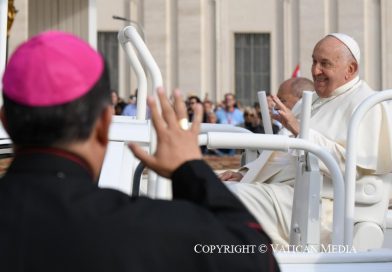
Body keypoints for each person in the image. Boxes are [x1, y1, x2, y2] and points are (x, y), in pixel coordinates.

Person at [0, 31, 279, 272]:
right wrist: (190, 169)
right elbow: (256, 257)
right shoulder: (144, 228)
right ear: (104, 123)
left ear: (5, 121)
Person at [222, 33, 392, 246]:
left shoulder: (366, 105)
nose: (315, 70)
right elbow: (282, 153)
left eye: (325, 64)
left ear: (350, 69)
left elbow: (352, 167)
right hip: (288, 194)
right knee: (220, 189)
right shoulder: (310, 103)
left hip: (323, 207)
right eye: (314, 61)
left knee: (228, 199)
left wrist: (299, 129)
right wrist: (244, 174)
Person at [220, 77, 314, 181]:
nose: (277, 107)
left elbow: (279, 162)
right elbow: (274, 160)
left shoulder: (312, 128)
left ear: (301, 100)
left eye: (282, 101)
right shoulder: (286, 129)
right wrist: (243, 175)